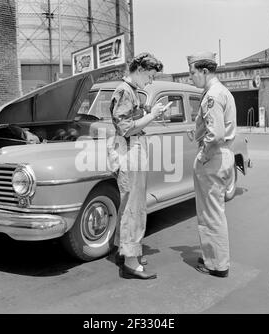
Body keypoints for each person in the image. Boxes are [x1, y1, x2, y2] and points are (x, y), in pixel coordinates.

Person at [108, 52, 164, 279]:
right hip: (130, 153)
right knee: (134, 208)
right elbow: (126, 128)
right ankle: (131, 263)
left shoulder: (130, 91)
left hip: (130, 152)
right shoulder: (125, 91)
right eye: (150, 76)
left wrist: (148, 113)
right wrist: (153, 116)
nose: (150, 81)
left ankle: (125, 251)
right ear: (140, 70)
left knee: (128, 205)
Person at [187, 51, 237, 278]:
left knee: (211, 214)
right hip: (223, 155)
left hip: (213, 157)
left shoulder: (212, 96)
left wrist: (203, 154)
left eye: (192, 72)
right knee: (213, 212)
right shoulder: (222, 91)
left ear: (204, 71)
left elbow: (215, 135)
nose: (190, 78)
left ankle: (217, 265)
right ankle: (214, 258)